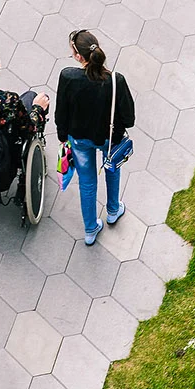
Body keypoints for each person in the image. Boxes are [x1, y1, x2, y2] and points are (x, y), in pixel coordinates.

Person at [54, 30, 135, 246]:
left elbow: (61, 112)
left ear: (78, 56)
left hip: (79, 140)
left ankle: (90, 229)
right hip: (109, 138)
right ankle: (113, 210)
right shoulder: (116, 80)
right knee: (112, 168)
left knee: (87, 183)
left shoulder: (67, 77)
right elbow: (129, 119)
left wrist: (63, 136)